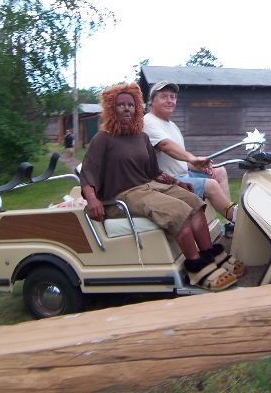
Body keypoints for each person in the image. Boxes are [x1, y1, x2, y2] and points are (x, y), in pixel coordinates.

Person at [79, 82, 244, 290]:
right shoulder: (102, 139)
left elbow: (154, 172)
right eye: (121, 105)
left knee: (194, 202)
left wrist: (178, 183)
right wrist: (92, 198)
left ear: (137, 108)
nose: (127, 109)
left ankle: (210, 254)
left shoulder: (141, 137)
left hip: (149, 186)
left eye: (131, 105)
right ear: (112, 109)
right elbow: (88, 173)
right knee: (178, 210)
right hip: (123, 195)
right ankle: (197, 269)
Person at [143, 81, 237, 234]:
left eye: (173, 97)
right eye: (164, 97)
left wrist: (198, 166)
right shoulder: (148, 121)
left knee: (220, 171)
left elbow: (180, 160)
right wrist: (191, 158)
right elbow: (165, 145)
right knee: (211, 185)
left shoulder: (172, 125)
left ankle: (229, 225)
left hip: (183, 174)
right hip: (166, 181)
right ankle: (237, 220)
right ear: (152, 101)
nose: (169, 100)